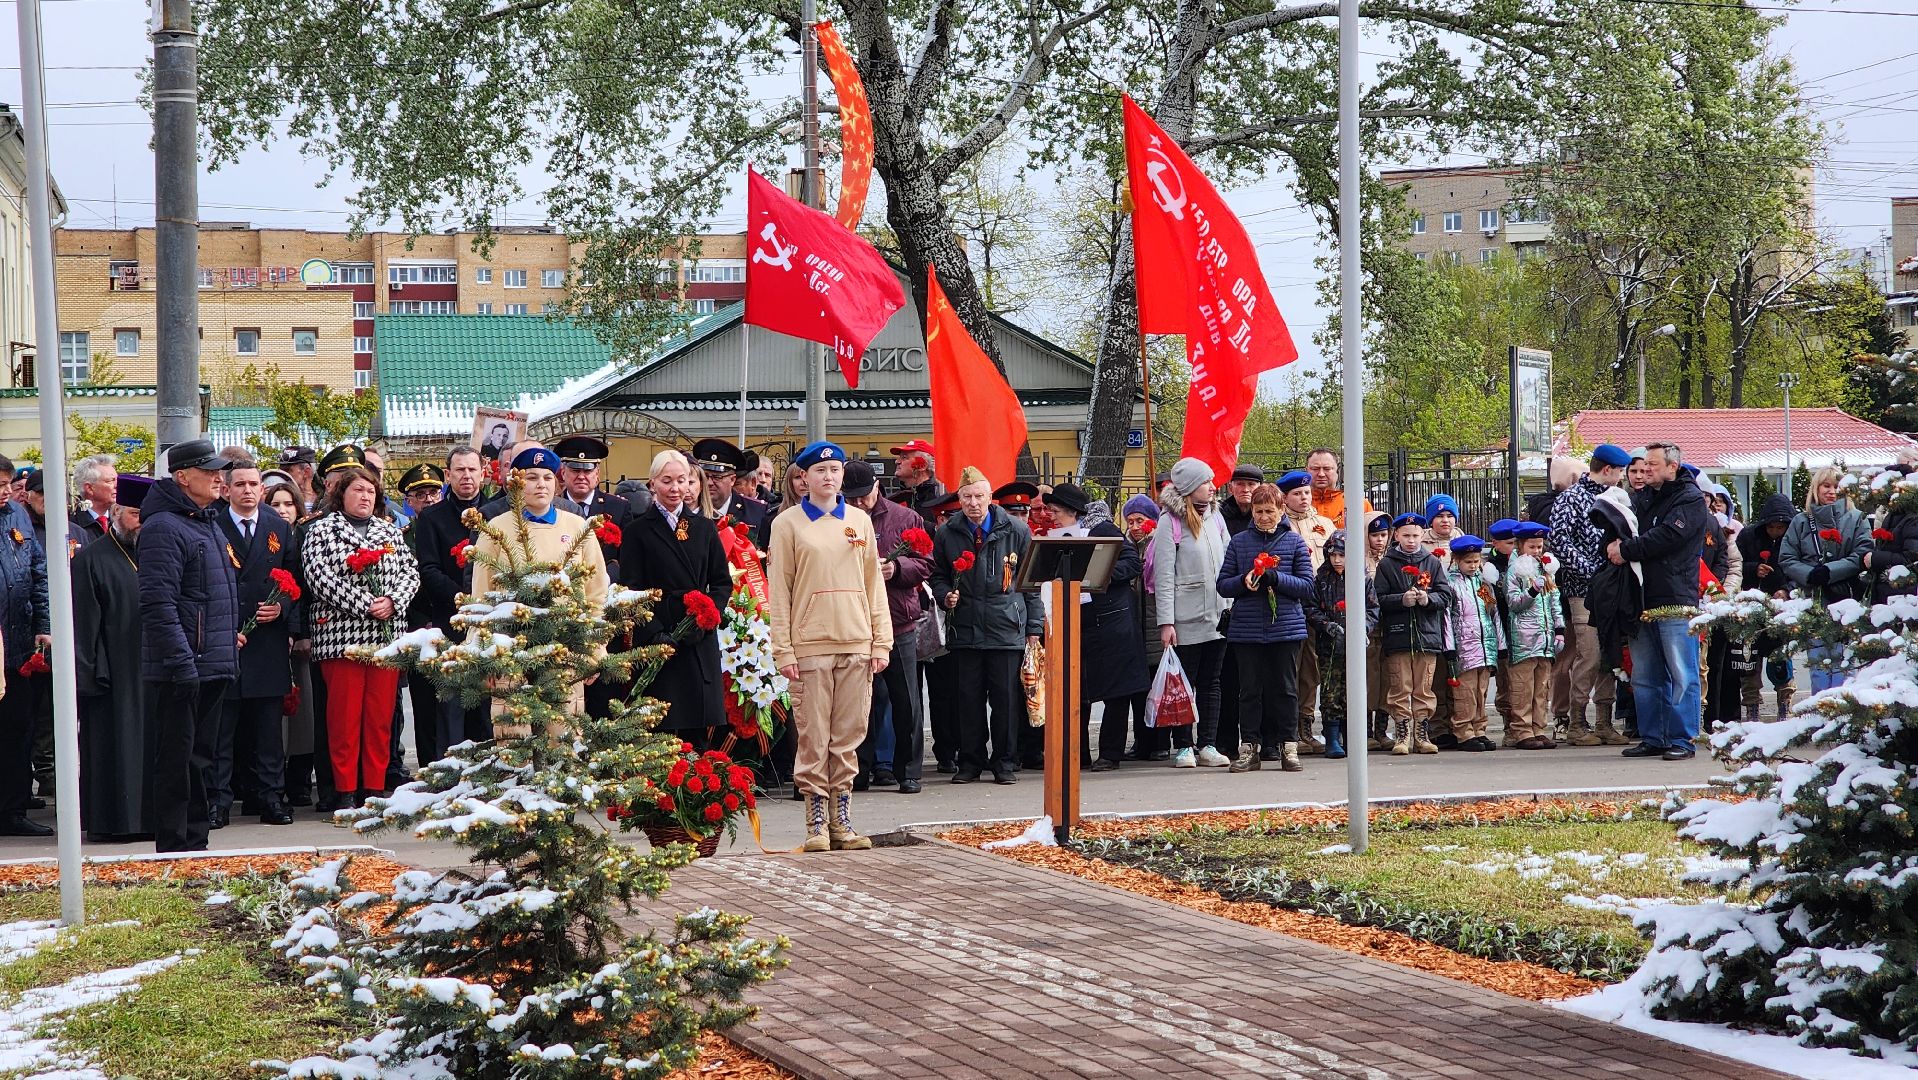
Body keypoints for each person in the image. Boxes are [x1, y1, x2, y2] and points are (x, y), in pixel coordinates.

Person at [768, 441, 891, 851]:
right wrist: (783, 649)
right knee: (814, 735)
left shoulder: (859, 521)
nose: (828, 477)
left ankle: (842, 816)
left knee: (848, 735)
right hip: (810, 644)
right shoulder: (787, 524)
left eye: (835, 470)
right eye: (819, 471)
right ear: (804, 478)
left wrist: (881, 641)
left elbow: (874, 585)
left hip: (856, 641)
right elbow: (779, 592)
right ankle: (816, 819)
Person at [139, 440, 240, 851]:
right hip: (184, 667)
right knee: (177, 762)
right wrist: (182, 663)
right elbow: (158, 603)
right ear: (183, 478)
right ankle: (176, 845)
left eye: (220, 470)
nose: (220, 477)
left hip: (210, 663)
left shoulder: (204, 520)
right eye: (209, 470)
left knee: (200, 758)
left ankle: (195, 843)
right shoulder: (165, 526)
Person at [470, 446, 610, 734]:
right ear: (517, 483)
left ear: (557, 483)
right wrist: (482, 650)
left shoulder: (577, 527)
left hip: (563, 644)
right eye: (532, 477)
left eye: (547, 477)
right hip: (509, 644)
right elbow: (480, 595)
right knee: (511, 734)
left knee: (563, 733)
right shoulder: (496, 528)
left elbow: (596, 591)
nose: (540, 485)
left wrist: (595, 647)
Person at [302, 465, 420, 806]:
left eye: (371, 492)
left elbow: (409, 573)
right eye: (358, 490)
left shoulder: (390, 532)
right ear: (342, 495)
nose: (366, 496)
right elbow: (319, 578)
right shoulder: (321, 530)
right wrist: (367, 604)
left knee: (380, 719)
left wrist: (393, 601)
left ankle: (373, 789)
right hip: (342, 640)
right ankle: (344, 792)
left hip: (385, 638)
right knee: (344, 719)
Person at [930, 465, 1043, 785]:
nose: (973, 503)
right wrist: (944, 595)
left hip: (1006, 625)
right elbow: (937, 574)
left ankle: (1005, 761)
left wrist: (1033, 629)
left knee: (1006, 700)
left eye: (979, 496)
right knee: (967, 699)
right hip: (965, 626)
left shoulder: (1016, 530)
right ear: (959, 499)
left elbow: (1030, 582)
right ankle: (970, 762)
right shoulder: (948, 532)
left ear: (990, 497)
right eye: (966, 497)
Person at [207, 456, 298, 828]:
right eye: (239, 484)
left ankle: (270, 797)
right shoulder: (213, 524)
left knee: (267, 729)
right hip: (227, 638)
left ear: (263, 489)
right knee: (222, 728)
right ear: (226, 489)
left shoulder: (278, 526)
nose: (247, 491)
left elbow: (294, 576)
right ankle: (218, 800)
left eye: (253, 484)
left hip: (266, 640)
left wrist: (282, 606)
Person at [618, 449, 733, 742]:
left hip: (697, 636)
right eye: (667, 481)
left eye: (682, 480)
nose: (675, 488)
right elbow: (632, 590)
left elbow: (721, 582)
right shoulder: (637, 531)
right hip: (661, 636)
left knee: (697, 729)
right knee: (663, 725)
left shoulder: (704, 527)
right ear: (652, 483)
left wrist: (707, 614)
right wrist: (656, 631)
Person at [1609, 442, 1707, 760]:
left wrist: (1626, 550)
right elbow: (1628, 530)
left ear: (1672, 467)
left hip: (1676, 598)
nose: (1645, 469)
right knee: (1645, 675)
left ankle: (1682, 739)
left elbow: (1667, 537)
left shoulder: (1689, 499)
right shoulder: (1642, 499)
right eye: (1642, 464)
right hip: (1642, 597)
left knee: (1681, 673)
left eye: (1652, 464)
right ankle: (1654, 736)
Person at [843, 459, 931, 794]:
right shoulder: (840, 519)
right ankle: (859, 769)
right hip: (854, 622)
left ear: (877, 486)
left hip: (898, 622)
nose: (858, 503)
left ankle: (908, 770)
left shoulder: (905, 517)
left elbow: (926, 563)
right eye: (850, 498)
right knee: (859, 701)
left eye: (863, 496)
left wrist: (897, 568)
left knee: (905, 699)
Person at [1046, 484, 1147, 773]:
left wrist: (1096, 575)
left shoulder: (1103, 529)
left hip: (1111, 620)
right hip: (1076, 618)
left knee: (1116, 689)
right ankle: (1077, 753)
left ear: (1072, 512)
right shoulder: (1059, 536)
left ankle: (1110, 753)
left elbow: (1131, 563)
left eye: (1055, 512)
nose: (1051, 517)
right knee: (1076, 688)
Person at [73, 475, 152, 841]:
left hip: (151, 668)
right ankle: (113, 824)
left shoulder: (154, 554)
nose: (141, 522)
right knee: (112, 745)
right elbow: (84, 622)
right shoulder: (91, 559)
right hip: (112, 673)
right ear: (117, 512)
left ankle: (149, 820)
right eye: (136, 514)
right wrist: (90, 673)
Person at [1216, 482, 1313, 771]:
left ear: (1281, 510)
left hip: (1285, 627)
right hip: (1247, 629)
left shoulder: (1294, 542)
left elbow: (1307, 587)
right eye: (1258, 512)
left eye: (1269, 511)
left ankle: (1288, 746)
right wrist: (1244, 581)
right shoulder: (1239, 542)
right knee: (1249, 691)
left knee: (1285, 689)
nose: (1263, 517)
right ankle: (1250, 748)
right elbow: (1223, 585)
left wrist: (1277, 579)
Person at [1547, 444, 1633, 747]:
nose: (1623, 476)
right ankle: (1576, 723)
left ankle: (1604, 722)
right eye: (1620, 471)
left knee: (1610, 654)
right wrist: (1590, 571)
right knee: (1590, 654)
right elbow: (1557, 539)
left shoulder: (1614, 500)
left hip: (1611, 590)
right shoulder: (1571, 498)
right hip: (1583, 590)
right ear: (1607, 470)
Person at [1152, 457, 1232, 768]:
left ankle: (1208, 744)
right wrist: (1166, 622)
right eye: (1206, 482)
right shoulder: (1169, 522)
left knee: (1212, 682)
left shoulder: (1216, 518)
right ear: (1189, 488)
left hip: (1217, 615)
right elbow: (1164, 575)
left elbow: (1228, 559)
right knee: (1183, 683)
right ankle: (1183, 745)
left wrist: (1231, 604)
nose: (1213, 487)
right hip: (1185, 619)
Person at [410, 447, 489, 758]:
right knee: (452, 706)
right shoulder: (432, 518)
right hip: (451, 621)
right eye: (459, 470)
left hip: (491, 620)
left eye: (472, 470)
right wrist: (461, 597)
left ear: (484, 473)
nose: (466, 476)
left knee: (486, 705)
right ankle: (451, 774)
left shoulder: (499, 512)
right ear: (448, 475)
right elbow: (428, 568)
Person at [1779, 466, 1872, 692]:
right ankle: (1819, 715)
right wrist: (1809, 574)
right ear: (1816, 489)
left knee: (1845, 665)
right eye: (1826, 486)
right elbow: (1787, 557)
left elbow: (1863, 553)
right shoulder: (1801, 521)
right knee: (1818, 664)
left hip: (1846, 600)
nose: (1831, 491)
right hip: (1814, 602)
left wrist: (1831, 571)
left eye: (1836, 487)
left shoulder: (1856, 518)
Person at [1376, 512, 1453, 756]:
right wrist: (1401, 600)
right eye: (1406, 535)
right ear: (1396, 535)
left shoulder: (1431, 561)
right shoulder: (1387, 564)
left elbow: (1445, 595)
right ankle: (1402, 733)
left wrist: (1427, 599)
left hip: (1426, 635)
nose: (1411, 540)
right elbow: (1377, 598)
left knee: (1424, 687)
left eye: (1415, 535)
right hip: (1398, 636)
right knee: (1400, 686)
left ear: (1422, 535)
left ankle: (1422, 733)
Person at [264, 481, 317, 806]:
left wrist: (300, 632)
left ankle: (299, 779)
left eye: (288, 504)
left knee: (304, 716)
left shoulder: (307, 537)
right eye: (276, 504)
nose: (282, 510)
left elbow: (304, 591)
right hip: (274, 637)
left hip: (304, 637)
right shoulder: (267, 538)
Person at [1305, 529, 1376, 760]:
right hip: (1330, 645)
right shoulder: (1321, 579)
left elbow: (1372, 609)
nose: (1337, 560)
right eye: (1333, 555)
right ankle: (1332, 736)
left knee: (1353, 689)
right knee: (1330, 689)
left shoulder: (1362, 579)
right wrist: (1327, 625)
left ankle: (1351, 735)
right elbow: (1311, 609)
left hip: (1355, 645)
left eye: (1342, 555)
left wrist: (1363, 628)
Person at [1279, 470, 1335, 755]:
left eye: (1306, 493)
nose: (1303, 498)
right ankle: (1287, 729)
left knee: (1312, 668)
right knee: (1291, 667)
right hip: (1291, 606)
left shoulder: (1324, 524)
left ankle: (1305, 726)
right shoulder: (1280, 525)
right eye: (1297, 494)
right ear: (1286, 497)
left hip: (1319, 606)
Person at [1734, 493, 1798, 720]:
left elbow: (1801, 568)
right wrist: (1753, 569)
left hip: (1780, 608)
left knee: (1781, 657)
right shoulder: (1748, 536)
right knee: (1749, 659)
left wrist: (1787, 590)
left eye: (1780, 527)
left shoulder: (1795, 537)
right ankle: (1751, 706)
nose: (1775, 531)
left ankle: (1784, 702)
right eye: (1771, 527)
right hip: (1751, 606)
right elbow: (1735, 564)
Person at [1502, 521, 1565, 749]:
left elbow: (1554, 600)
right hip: (1524, 639)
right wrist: (1531, 591)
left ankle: (1539, 728)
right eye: (1532, 547)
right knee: (1523, 687)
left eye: (1540, 546)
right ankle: (1521, 730)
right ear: (1519, 546)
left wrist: (1559, 630)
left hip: (1546, 639)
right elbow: (1514, 603)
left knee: (1542, 687)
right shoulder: (1515, 571)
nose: (1537, 551)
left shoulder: (1546, 569)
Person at [1443, 535, 1505, 753]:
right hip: (1464, 647)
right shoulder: (1450, 584)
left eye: (1476, 561)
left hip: (1485, 646)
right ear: (1457, 560)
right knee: (1465, 693)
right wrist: (1449, 647)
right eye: (1468, 561)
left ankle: (1479, 729)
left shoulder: (1483, 584)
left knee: (1481, 690)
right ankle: (1463, 731)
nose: (1473, 566)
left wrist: (1500, 643)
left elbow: (1493, 614)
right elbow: (1446, 618)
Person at [1119, 493, 1168, 763]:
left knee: (1158, 688)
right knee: (1139, 690)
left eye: (1141, 520)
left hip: (1155, 623)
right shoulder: (1125, 548)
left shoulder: (1159, 546)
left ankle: (1160, 742)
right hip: (1134, 626)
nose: (1136, 526)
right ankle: (1142, 741)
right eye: (1131, 521)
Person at [1485, 519, 1520, 745]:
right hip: (1502, 632)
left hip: (1525, 632)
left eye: (1517, 542)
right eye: (1509, 543)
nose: (1514, 547)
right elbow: (1488, 603)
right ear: (1495, 543)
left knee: (1524, 683)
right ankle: (1510, 726)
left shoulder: (1525, 564)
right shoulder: (1489, 569)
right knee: (1506, 683)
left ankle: (1523, 725)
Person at [1362, 511, 1392, 749]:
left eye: (1383, 534)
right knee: (1368, 679)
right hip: (1368, 628)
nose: (1380, 540)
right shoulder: (1358, 561)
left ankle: (1382, 728)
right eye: (1374, 535)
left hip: (1389, 627)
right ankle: (1366, 729)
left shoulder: (1391, 559)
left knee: (1387, 680)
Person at [691, 437, 766, 531]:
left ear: (732, 480)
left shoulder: (757, 511)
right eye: (705, 476)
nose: (709, 483)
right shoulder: (689, 509)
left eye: (717, 477)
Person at [1304, 448, 1372, 524]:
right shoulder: (1294, 503)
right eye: (1315, 469)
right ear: (1306, 470)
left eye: (1327, 469)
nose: (1321, 474)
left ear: (1338, 470)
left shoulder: (1358, 504)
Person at [890, 440, 946, 526]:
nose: (897, 461)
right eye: (899, 457)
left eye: (904, 457)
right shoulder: (895, 499)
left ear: (923, 465)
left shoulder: (939, 497)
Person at [70, 454, 117, 549]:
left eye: (117, 480)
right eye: (109, 481)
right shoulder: (71, 527)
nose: (117, 485)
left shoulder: (121, 522)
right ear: (89, 488)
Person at [1219, 464, 1262, 536]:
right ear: (1230, 488)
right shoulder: (1219, 514)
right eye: (1240, 484)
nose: (1245, 490)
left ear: (1260, 488)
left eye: (1251, 484)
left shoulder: (1267, 513)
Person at [277, 445, 321, 510]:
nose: (282, 474)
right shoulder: (276, 496)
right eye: (281, 470)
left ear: (306, 472)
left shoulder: (330, 496)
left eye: (287, 470)